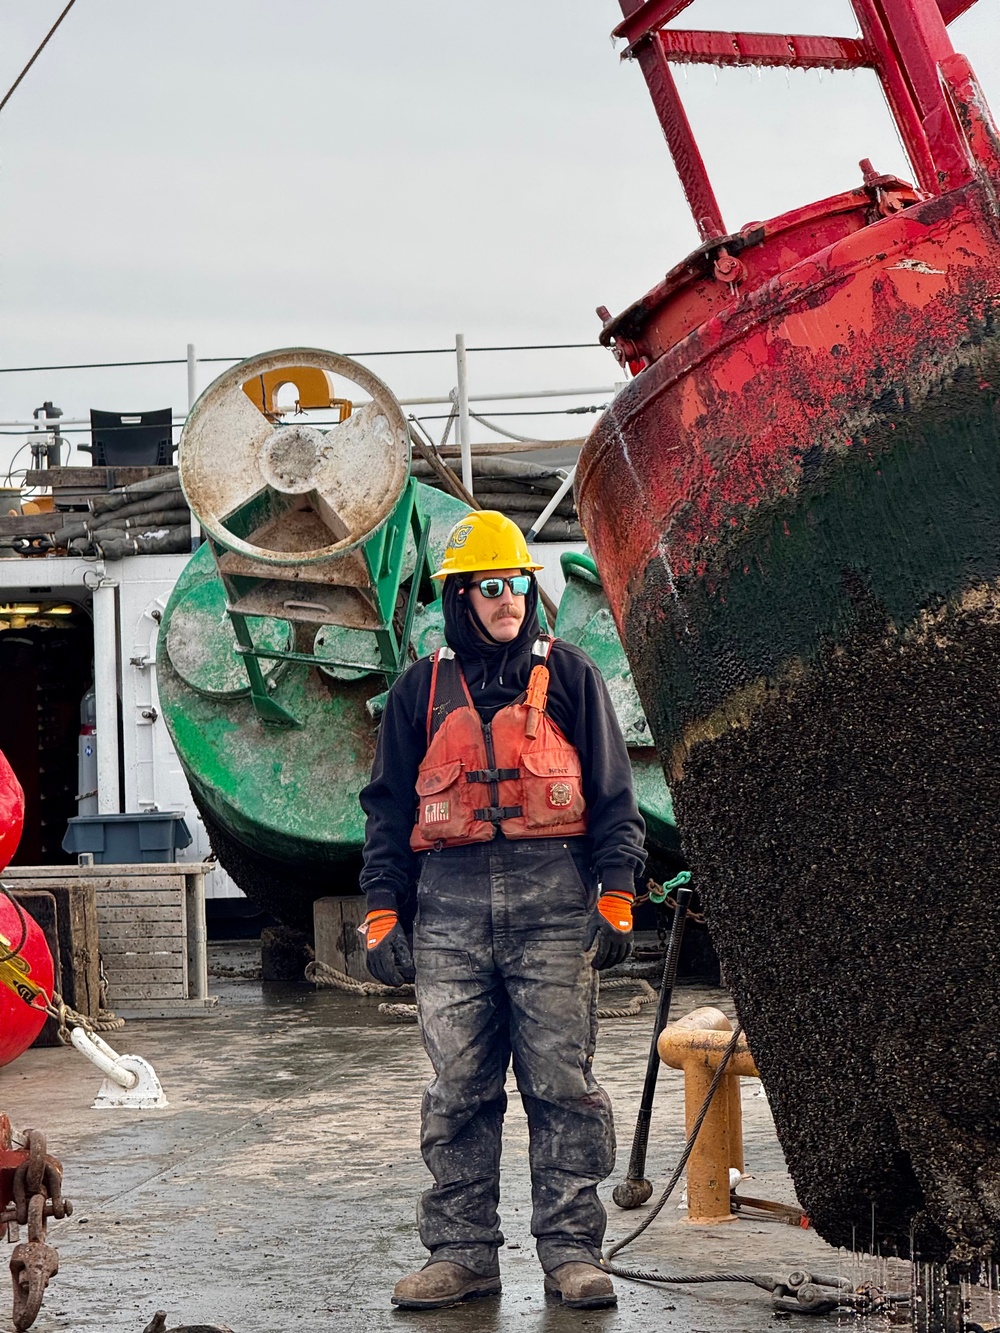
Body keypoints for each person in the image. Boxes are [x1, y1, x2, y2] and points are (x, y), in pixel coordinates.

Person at [359, 510, 645, 1312]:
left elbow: (616, 798)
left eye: (517, 581)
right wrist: (383, 910)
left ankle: (570, 1252)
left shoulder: (574, 676)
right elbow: (385, 811)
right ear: (459, 596)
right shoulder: (417, 692)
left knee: (563, 1083)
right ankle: (461, 1254)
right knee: (457, 1088)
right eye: (490, 585)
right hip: (447, 909)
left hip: (552, 899)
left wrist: (616, 893)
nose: (508, 598)